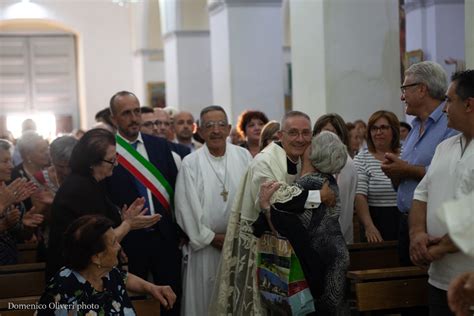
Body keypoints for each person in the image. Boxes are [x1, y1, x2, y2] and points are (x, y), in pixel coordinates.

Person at [209, 111, 336, 315]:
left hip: (288, 245)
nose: (300, 139)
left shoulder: (300, 158)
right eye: (293, 133)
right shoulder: (265, 161)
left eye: (305, 133)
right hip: (261, 246)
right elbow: (278, 198)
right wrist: (319, 196)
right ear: (280, 135)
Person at [106, 91, 182, 316]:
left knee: (171, 300)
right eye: (126, 113)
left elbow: (175, 189)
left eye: (137, 111)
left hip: (165, 239)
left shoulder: (160, 146)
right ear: (113, 119)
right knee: (134, 304)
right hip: (129, 243)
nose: (134, 117)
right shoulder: (108, 150)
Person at [46, 129, 160, 279]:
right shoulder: (79, 190)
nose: (116, 163)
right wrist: (128, 224)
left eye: (116, 157)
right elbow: (97, 242)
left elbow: (104, 223)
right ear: (92, 163)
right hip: (75, 280)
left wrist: (123, 219)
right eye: (111, 160)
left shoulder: (93, 183)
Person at [257, 131, 349, 315]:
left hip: (317, 258)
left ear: (314, 151)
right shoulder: (327, 180)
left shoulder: (309, 183)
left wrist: (266, 206)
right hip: (334, 253)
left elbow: (275, 219)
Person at [175, 105, 252, 316]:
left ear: (229, 129)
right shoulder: (190, 163)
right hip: (206, 249)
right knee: (204, 303)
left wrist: (240, 234)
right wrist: (210, 237)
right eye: (209, 125)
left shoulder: (244, 157)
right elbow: (185, 207)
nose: (215, 130)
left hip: (238, 245)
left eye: (220, 124)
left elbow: (253, 198)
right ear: (199, 131)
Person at [409, 70, 474, 315]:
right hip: (438, 280)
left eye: (449, 100)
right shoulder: (444, 147)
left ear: (469, 104)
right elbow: (421, 194)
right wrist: (416, 234)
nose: (445, 108)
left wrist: (435, 250)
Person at [381, 61, 458, 266]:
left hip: (431, 227)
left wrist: (405, 169)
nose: (402, 96)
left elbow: (448, 174)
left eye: (405, 89)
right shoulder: (415, 127)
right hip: (405, 222)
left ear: (422, 89)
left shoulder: (450, 124)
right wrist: (396, 172)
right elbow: (410, 175)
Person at [38, 215, 176, 315]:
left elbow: (125, 278)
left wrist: (152, 288)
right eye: (113, 242)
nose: (119, 246)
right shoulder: (62, 289)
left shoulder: (107, 273)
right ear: (96, 258)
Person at [354, 110, 402, 242]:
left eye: (383, 128)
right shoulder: (361, 158)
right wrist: (369, 226)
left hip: (405, 219)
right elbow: (360, 195)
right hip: (374, 220)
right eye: (374, 129)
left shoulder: (407, 154)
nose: (378, 132)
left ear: (394, 130)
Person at [313, 113, 357, 244]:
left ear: (341, 136)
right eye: (324, 132)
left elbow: (339, 205)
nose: (327, 137)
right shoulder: (322, 161)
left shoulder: (344, 164)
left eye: (332, 132)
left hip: (335, 240)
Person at [0, 139, 43, 265]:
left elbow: (21, 237)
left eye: (11, 161)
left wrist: (25, 226)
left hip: (10, 265)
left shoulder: (10, 193)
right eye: (5, 161)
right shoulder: (8, 196)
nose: (11, 166)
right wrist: (2, 207)